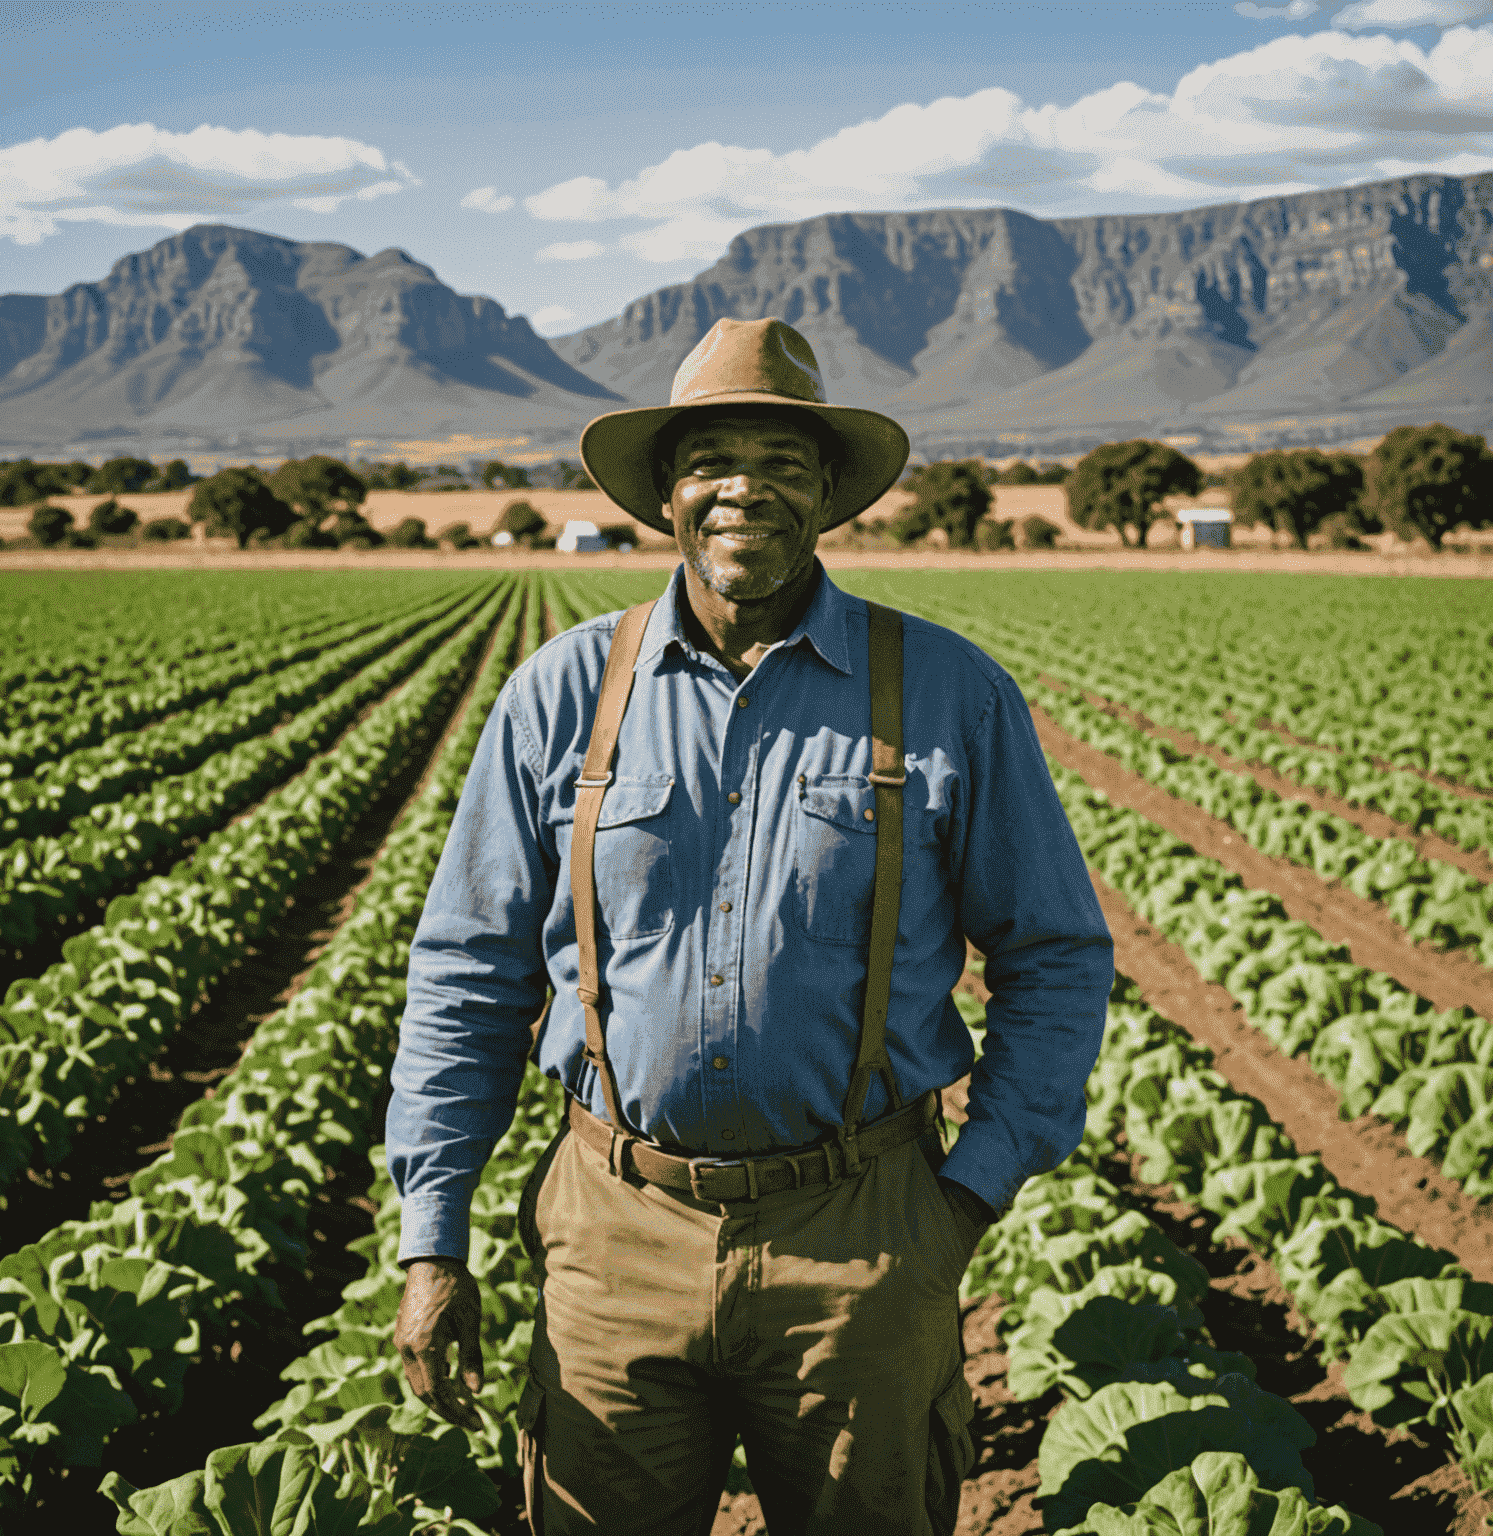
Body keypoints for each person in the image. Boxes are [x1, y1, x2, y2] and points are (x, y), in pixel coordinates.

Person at [387, 316, 1113, 1535]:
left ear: (829, 494)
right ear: (668, 491)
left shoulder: (945, 691)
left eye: (785, 463)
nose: (746, 490)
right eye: (713, 457)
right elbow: (468, 972)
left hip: (865, 1239)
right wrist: (432, 1241)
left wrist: (966, 1199)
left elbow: (1054, 955)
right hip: (615, 1232)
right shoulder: (563, 692)